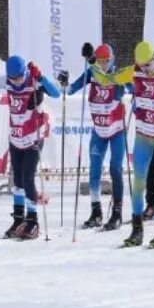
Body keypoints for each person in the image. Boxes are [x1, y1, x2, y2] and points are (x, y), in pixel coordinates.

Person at [91, 41, 154, 248]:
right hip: (143, 137)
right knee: (138, 184)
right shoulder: (133, 71)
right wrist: (92, 63)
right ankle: (137, 231)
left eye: (148, 65)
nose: (145, 70)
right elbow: (105, 79)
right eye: (141, 65)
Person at [61, 43, 130, 232]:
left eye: (106, 61)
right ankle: (96, 211)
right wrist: (64, 82)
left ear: (112, 60)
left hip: (116, 131)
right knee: (94, 169)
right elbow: (70, 89)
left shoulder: (119, 75)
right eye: (100, 62)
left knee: (116, 169)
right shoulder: (92, 73)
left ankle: (117, 213)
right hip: (99, 132)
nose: (103, 65)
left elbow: (136, 87)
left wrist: (131, 89)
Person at [4, 56, 60, 239]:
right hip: (16, 138)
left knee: (28, 178)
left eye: (19, 78)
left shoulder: (33, 80)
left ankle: (33, 220)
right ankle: (19, 219)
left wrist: (41, 77)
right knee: (18, 180)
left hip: (33, 139)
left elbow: (57, 93)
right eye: (13, 79)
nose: (16, 82)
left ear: (24, 73)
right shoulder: (8, 81)